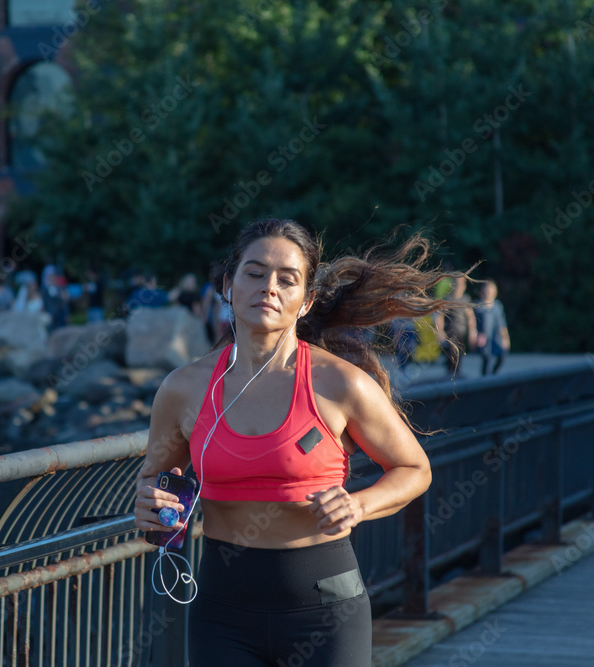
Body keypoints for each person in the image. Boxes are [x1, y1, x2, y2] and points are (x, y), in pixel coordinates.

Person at [133, 218, 467, 666]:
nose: (268, 288)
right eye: (254, 273)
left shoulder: (341, 384)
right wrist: (150, 506)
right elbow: (153, 482)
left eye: (287, 280)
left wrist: (359, 505)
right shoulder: (184, 390)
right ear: (229, 285)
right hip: (221, 614)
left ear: (306, 300)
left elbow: (414, 469)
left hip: (326, 611)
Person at [433, 276, 478, 378]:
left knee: (460, 353)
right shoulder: (447, 299)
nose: (459, 286)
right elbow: (440, 316)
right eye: (457, 283)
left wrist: (473, 331)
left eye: (461, 283)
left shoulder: (466, 299)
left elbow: (471, 317)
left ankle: (455, 373)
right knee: (452, 351)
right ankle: (451, 373)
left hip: (462, 330)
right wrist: (440, 331)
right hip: (450, 330)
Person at [474, 279, 510, 375]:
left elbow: (502, 324)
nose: (488, 293)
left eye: (490, 291)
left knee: (502, 356)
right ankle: (485, 380)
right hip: (484, 337)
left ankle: (493, 375)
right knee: (487, 360)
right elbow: (473, 323)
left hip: (496, 336)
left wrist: (506, 338)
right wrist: (475, 335)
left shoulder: (498, 306)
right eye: (486, 291)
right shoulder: (478, 306)